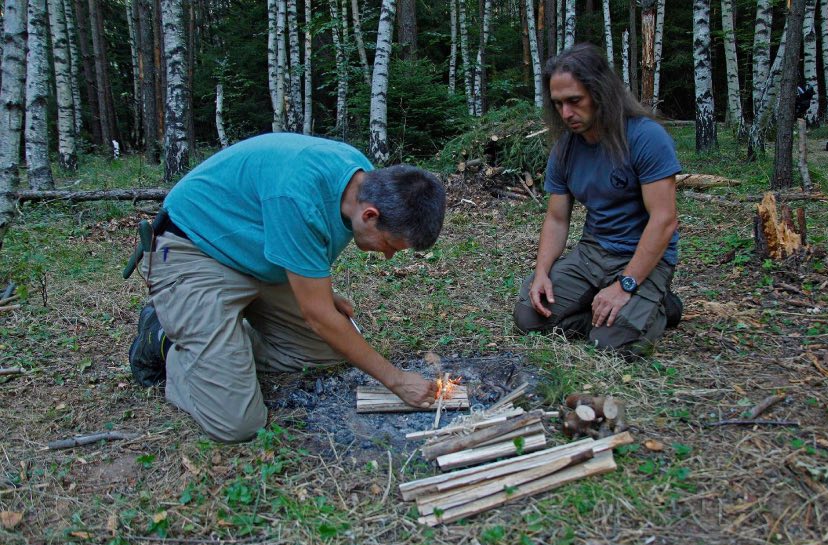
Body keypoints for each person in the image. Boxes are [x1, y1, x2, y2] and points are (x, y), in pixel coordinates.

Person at [127, 133, 446, 442]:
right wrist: (396, 380)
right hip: (195, 250)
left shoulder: (364, 181)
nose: (388, 255)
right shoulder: (298, 194)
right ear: (370, 215)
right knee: (238, 423)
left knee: (331, 349)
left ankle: (223, 349)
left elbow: (300, 247)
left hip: (257, 256)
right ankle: (163, 340)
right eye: (390, 245)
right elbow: (318, 315)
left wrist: (320, 293)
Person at [513, 43, 683, 357]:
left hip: (643, 254)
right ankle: (607, 310)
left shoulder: (645, 137)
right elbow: (557, 219)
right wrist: (541, 273)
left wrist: (625, 285)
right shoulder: (565, 148)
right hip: (593, 251)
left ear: (600, 93)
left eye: (574, 101)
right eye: (558, 104)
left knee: (611, 343)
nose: (566, 113)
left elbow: (664, 220)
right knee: (528, 317)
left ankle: (659, 306)